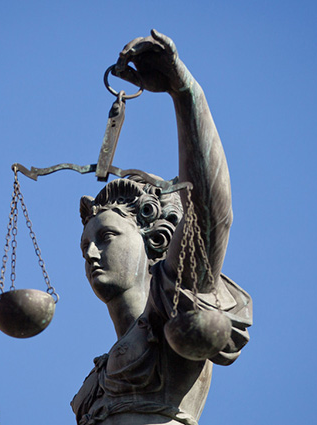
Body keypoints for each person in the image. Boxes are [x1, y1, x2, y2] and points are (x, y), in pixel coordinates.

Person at [71, 30, 252, 425]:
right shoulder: (98, 374)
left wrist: (184, 93)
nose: (91, 253)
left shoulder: (174, 315)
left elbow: (209, 211)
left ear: (154, 239)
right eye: (85, 244)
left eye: (106, 237)